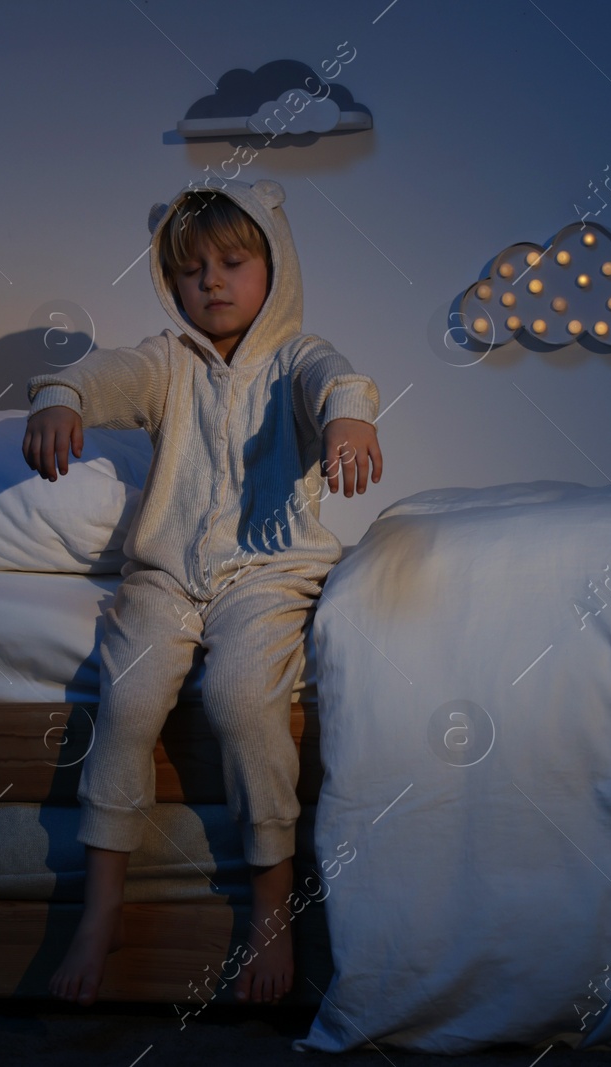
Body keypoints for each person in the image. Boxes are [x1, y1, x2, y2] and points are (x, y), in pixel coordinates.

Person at [22, 177, 382, 1007]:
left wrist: (350, 419)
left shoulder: (296, 356)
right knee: (131, 693)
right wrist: (57, 397)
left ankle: (270, 909)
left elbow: (337, 381)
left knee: (241, 699)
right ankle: (101, 903)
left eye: (233, 262)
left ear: (275, 269)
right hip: (167, 574)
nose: (212, 283)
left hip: (270, 571)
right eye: (192, 271)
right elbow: (98, 373)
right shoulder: (166, 363)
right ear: (170, 282)